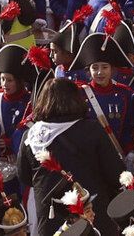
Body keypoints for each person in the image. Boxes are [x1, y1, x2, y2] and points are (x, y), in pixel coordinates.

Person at [14, 78, 125, 236]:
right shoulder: (92, 129)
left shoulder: (31, 136)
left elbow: (24, 177)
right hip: (93, 213)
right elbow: (115, 173)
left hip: (51, 217)